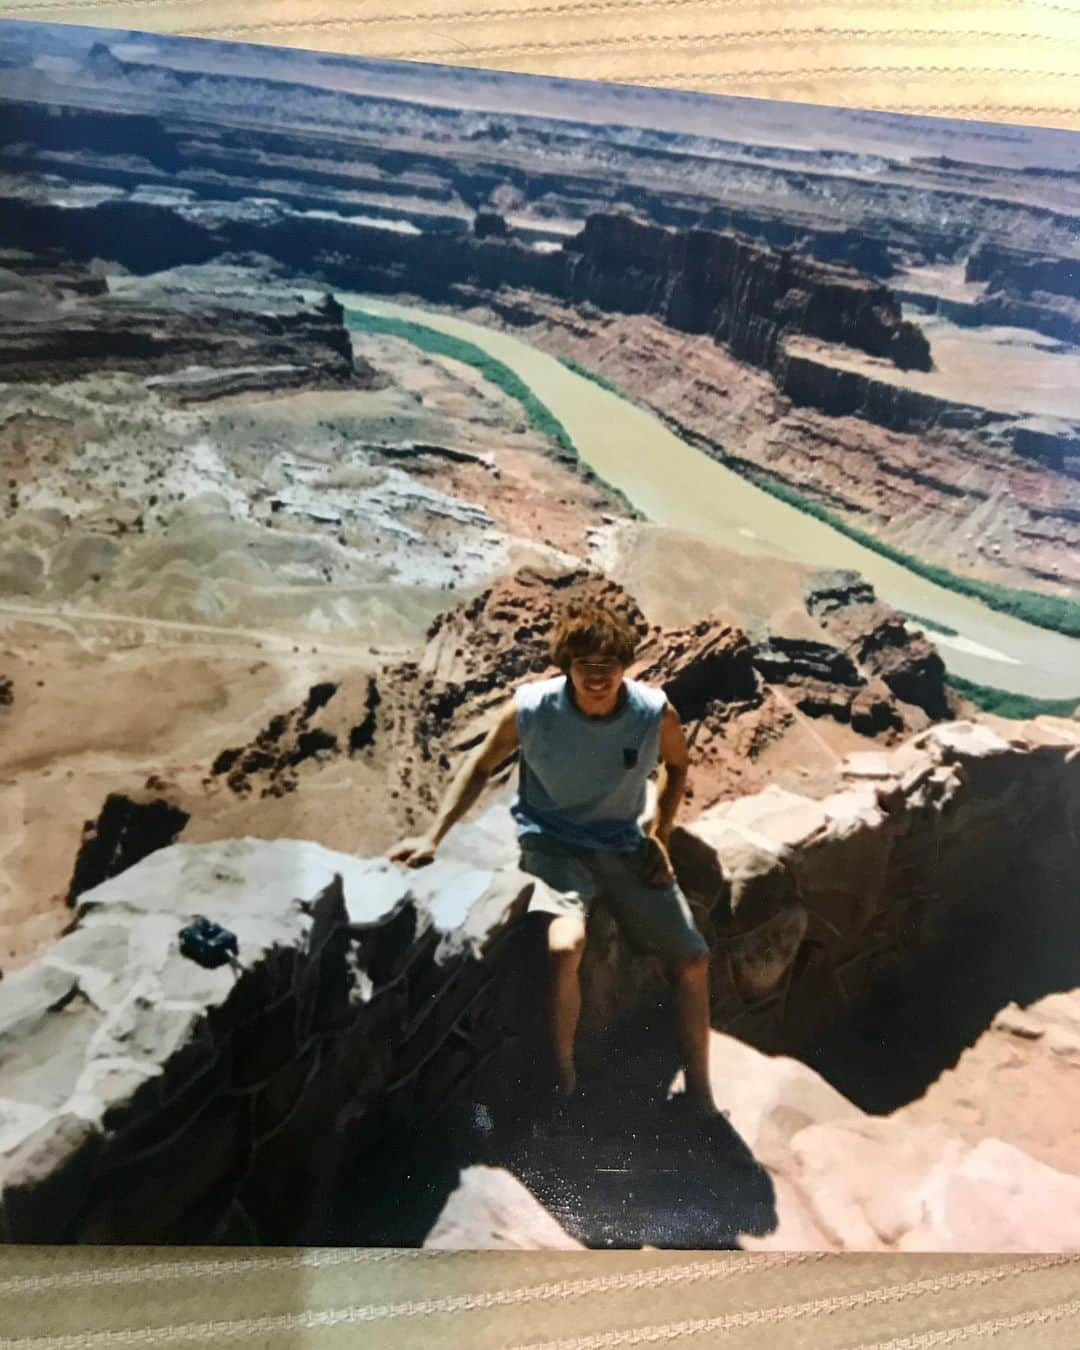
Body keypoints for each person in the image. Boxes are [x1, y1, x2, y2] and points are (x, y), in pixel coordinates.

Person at [389, 601, 717, 1114]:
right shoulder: (532, 710)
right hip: (551, 842)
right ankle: (562, 1074)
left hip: (625, 843)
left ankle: (700, 1089)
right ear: (565, 663)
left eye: (608, 664)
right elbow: (479, 767)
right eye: (584, 663)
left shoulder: (654, 713)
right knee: (566, 947)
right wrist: (433, 836)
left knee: (694, 956)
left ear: (624, 665)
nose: (596, 676)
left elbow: (677, 765)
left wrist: (661, 832)